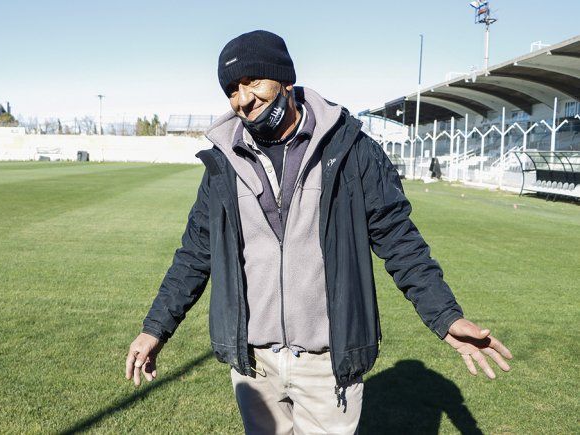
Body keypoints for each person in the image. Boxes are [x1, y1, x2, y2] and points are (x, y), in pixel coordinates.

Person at [124, 30, 512, 434]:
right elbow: (194, 254)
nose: (243, 99)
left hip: (328, 364)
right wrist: (155, 329)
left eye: (253, 81)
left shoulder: (350, 150)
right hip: (254, 365)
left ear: (285, 80)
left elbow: (399, 241)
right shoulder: (223, 164)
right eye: (232, 90)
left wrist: (446, 317)